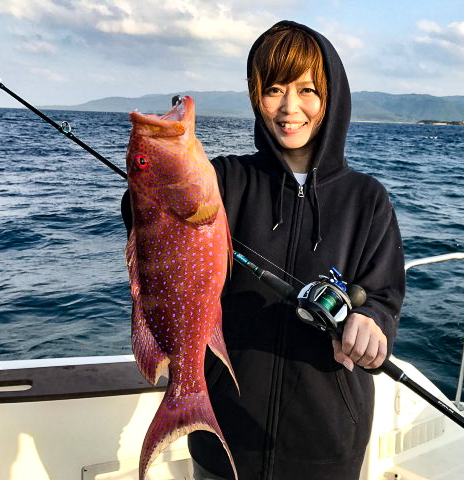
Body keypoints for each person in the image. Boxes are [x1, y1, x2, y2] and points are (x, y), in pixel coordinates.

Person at [123, 20, 405, 480]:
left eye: (307, 89)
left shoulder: (367, 200)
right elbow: (150, 237)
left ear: (332, 97)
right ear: (257, 98)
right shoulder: (225, 181)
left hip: (326, 447)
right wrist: (149, 173)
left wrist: (372, 324)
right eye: (274, 89)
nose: (289, 107)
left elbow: (384, 296)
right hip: (224, 442)